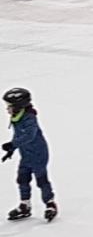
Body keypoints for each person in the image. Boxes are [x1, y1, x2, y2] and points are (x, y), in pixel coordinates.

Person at [2, 87, 57, 222]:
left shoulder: (29, 118)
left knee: (41, 180)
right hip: (26, 154)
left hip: (38, 154)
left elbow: (29, 136)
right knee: (22, 179)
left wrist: (13, 144)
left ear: (18, 106)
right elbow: (18, 135)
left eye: (9, 106)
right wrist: (12, 149)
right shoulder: (16, 118)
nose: (7, 109)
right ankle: (25, 205)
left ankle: (50, 204)